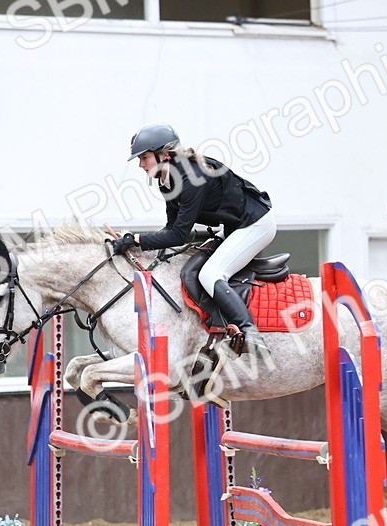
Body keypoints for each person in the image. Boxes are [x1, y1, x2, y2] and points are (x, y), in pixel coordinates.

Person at [111, 123, 276, 358]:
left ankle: (250, 333)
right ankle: (217, 328)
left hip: (255, 224)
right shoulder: (166, 180)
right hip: (234, 226)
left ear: (164, 154)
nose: (140, 164)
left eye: (144, 157)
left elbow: (178, 235)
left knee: (210, 274)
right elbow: (172, 229)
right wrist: (137, 246)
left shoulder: (191, 176)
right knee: (190, 272)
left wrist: (136, 239)